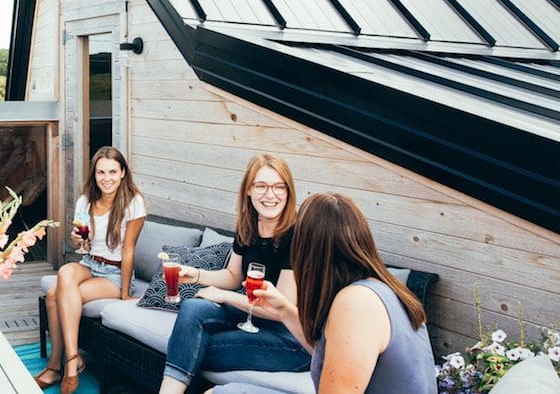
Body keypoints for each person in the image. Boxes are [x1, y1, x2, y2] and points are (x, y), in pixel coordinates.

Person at [249, 193, 436, 393]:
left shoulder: (356, 303)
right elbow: (333, 354)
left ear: (307, 248)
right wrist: (283, 310)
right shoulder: (380, 288)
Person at [160, 154, 310, 394]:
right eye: (261, 186)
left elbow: (279, 309)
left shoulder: (297, 237)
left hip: (290, 338)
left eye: (279, 187)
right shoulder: (248, 228)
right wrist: (195, 275)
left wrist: (223, 295)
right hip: (251, 316)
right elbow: (232, 275)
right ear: (249, 190)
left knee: (191, 346)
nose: (270, 195)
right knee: (192, 307)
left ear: (288, 192)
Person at [35, 146, 145, 394]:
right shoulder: (85, 201)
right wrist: (77, 240)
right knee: (64, 274)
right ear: (94, 175)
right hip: (89, 264)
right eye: (101, 172)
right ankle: (72, 359)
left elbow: (128, 251)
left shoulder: (134, 203)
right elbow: (81, 244)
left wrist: (125, 293)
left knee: (54, 296)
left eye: (112, 172)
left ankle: (58, 366)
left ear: (123, 173)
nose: (107, 178)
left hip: (114, 274)